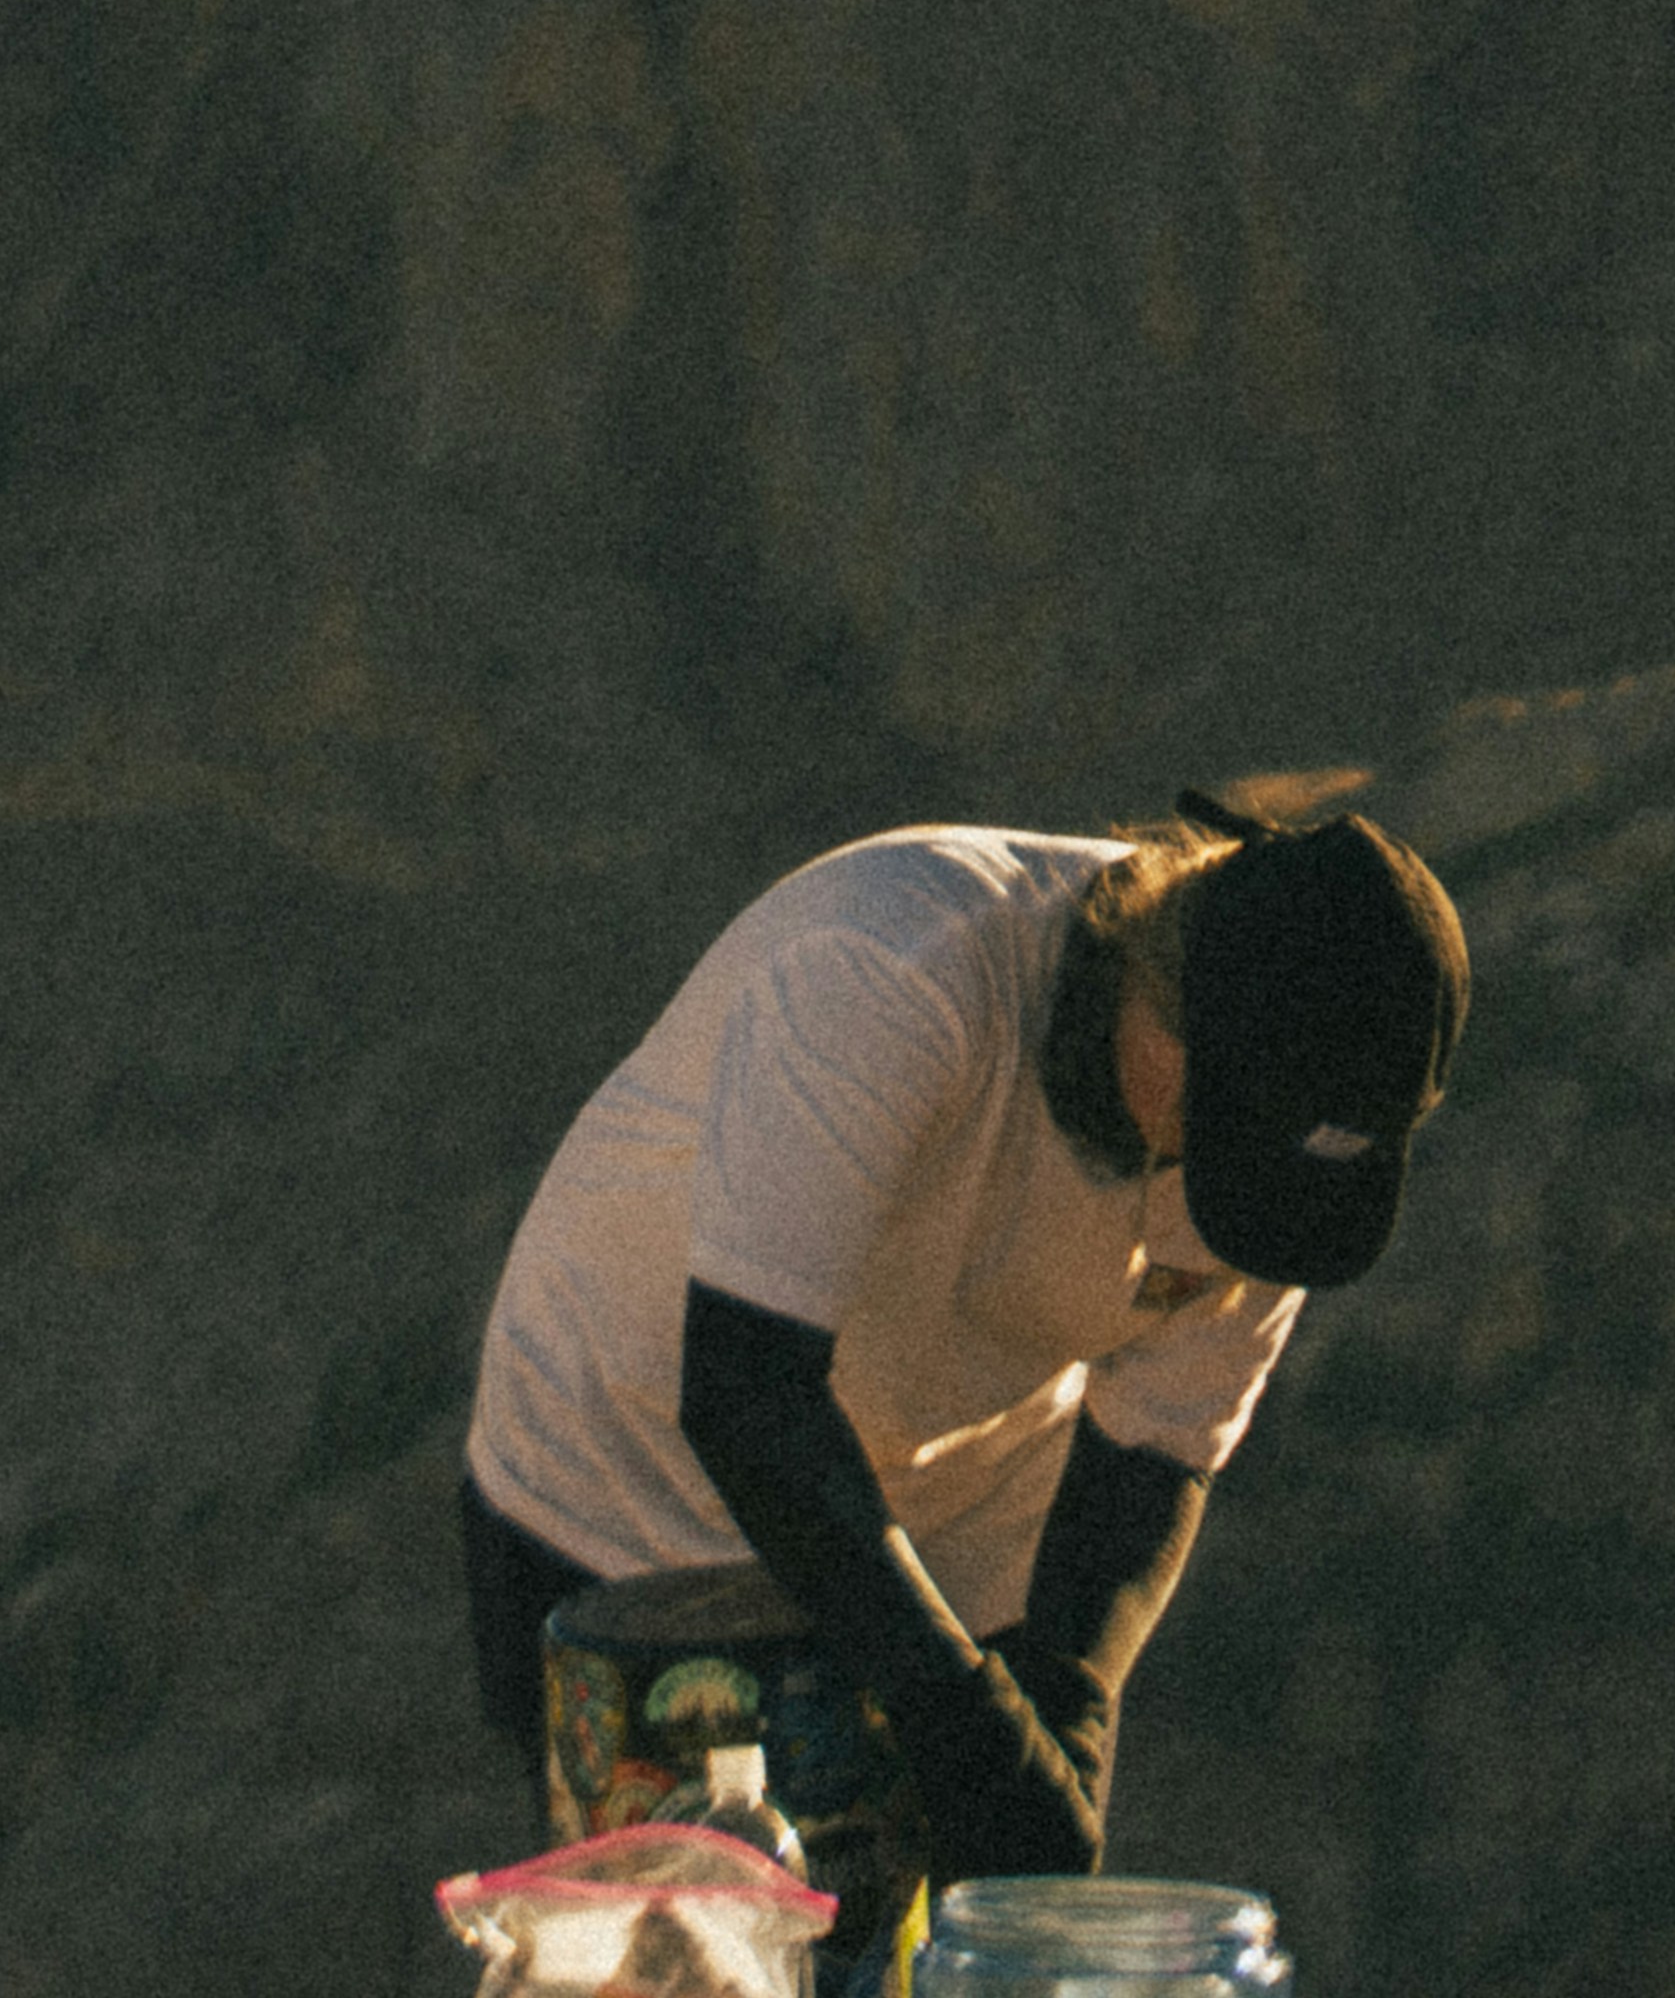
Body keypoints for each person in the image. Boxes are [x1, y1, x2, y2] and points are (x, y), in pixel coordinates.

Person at [453, 794, 1467, 1888]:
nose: (1205, 1188)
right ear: (1157, 992)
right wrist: (950, 1709)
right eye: (1213, 1139)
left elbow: (1154, 1455)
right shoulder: (894, 966)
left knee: (942, 1931)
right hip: (629, 1481)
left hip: (942, 1521)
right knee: (686, 1940)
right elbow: (750, 1395)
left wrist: (1062, 1707)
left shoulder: (1284, 1152)